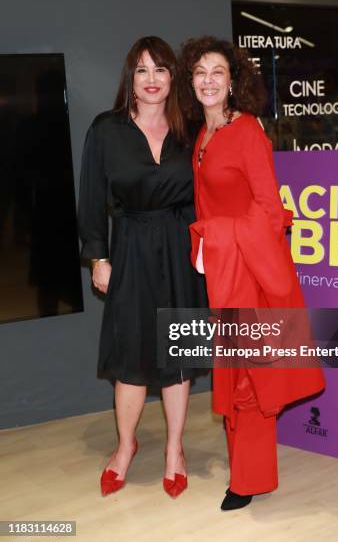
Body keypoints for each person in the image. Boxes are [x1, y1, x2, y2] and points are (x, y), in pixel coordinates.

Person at [179, 36, 325, 511]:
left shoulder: (246, 132)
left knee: (251, 378)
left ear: (233, 81)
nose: (207, 80)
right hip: (225, 271)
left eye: (217, 71)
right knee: (236, 371)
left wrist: (218, 236)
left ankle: (249, 479)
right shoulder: (205, 134)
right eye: (200, 71)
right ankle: (245, 469)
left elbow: (269, 210)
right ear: (191, 80)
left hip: (252, 272)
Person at [78, 36, 207, 498]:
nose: (152, 80)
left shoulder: (192, 130)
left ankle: (175, 449)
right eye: (142, 70)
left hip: (180, 252)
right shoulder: (106, 129)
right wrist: (99, 257)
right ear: (129, 79)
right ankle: (125, 446)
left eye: (160, 70)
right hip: (130, 249)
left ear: (174, 78)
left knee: (178, 356)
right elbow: (91, 199)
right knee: (130, 359)